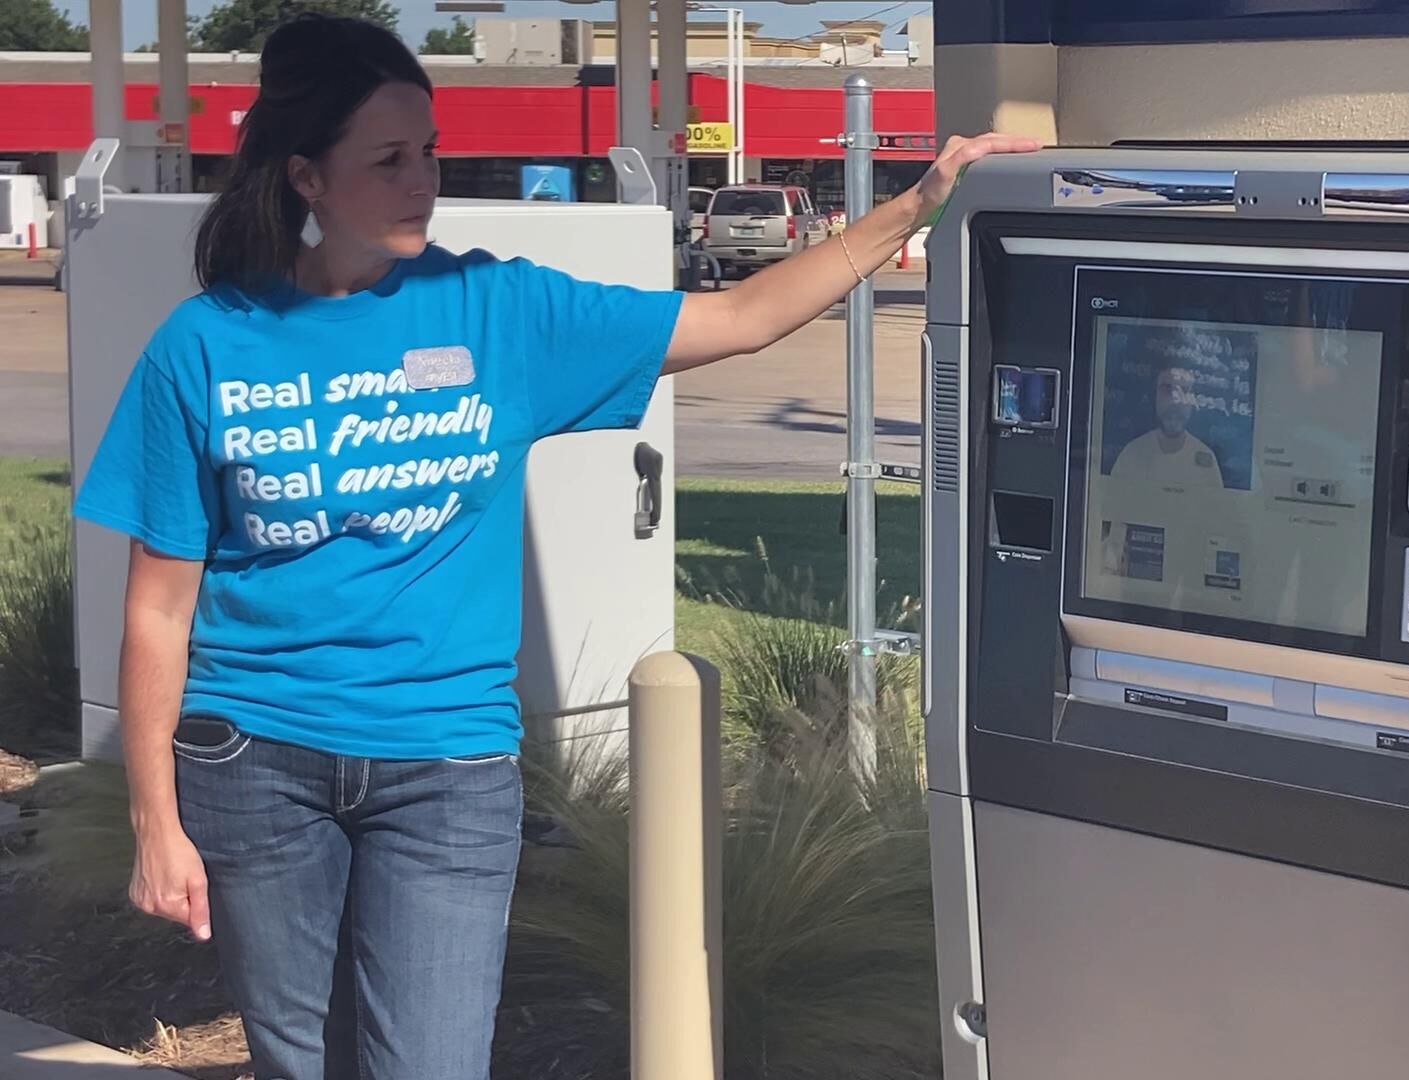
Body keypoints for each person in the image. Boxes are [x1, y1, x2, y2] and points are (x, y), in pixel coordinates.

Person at [71, 14, 1039, 1079]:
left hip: (444, 768)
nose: (422, 182)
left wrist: (916, 206)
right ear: (305, 176)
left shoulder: (497, 311)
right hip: (255, 760)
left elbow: (743, 317)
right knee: (300, 1064)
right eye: (388, 160)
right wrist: (155, 822)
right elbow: (157, 607)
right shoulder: (205, 346)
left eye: (429, 153)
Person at [1107, 361, 1226, 490]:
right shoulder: (1131, 455)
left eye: (1184, 390)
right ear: (1155, 397)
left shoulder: (1207, 459)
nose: (1175, 399)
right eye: (1166, 389)